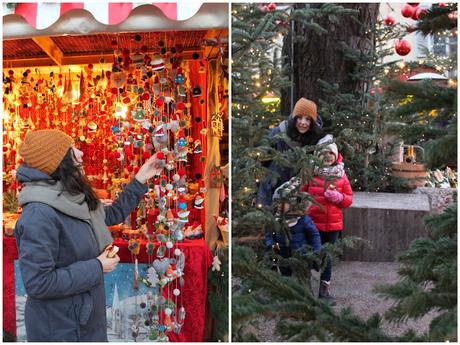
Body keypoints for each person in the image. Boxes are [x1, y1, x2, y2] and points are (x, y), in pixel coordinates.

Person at [14, 129, 162, 341]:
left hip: (84, 321)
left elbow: (110, 215)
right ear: (57, 161)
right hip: (60, 329)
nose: (81, 153)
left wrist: (140, 178)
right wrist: (97, 266)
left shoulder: (70, 197)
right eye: (72, 149)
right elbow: (39, 283)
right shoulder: (39, 214)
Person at [300, 141, 353, 305]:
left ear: (336, 156)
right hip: (312, 223)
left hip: (332, 225)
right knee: (308, 254)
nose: (327, 156)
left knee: (327, 257)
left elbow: (349, 199)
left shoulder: (341, 175)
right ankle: (305, 287)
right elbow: (300, 192)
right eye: (323, 153)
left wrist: (339, 197)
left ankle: (324, 290)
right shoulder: (310, 173)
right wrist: (304, 205)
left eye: (331, 153)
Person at [256, 97, 331, 207]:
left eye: (308, 119)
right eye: (299, 118)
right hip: (271, 188)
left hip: (297, 192)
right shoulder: (279, 132)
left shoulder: (316, 140)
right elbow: (263, 158)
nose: (303, 123)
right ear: (293, 118)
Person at [264, 177, 321, 276]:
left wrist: (316, 252)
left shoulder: (302, 219)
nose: (279, 205)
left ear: (291, 203)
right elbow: (269, 234)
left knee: (303, 277)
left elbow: (314, 235)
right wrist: (271, 244)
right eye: (277, 202)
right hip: (283, 255)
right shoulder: (276, 219)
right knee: (286, 277)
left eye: (282, 203)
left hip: (301, 256)